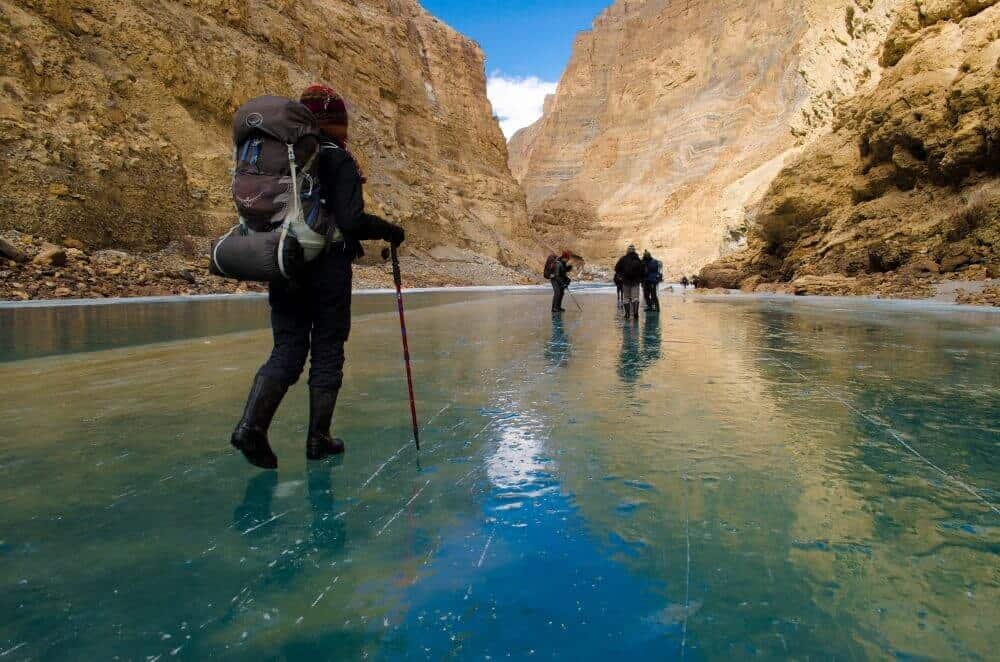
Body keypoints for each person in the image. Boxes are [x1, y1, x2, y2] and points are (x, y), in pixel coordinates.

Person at [230, 84, 406, 470]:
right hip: (327, 267)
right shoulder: (337, 159)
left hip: (286, 260)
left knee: (288, 348)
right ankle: (318, 438)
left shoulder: (287, 159)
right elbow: (350, 220)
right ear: (337, 123)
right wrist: (390, 230)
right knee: (327, 350)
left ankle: (251, 426)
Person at [614, 245, 645, 320]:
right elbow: (642, 271)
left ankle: (627, 314)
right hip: (635, 282)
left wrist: (621, 276)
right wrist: (641, 279)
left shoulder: (623, 259)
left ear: (627, 251)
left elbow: (616, 268)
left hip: (626, 282)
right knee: (635, 298)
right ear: (634, 251)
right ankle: (635, 314)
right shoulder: (638, 260)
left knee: (626, 298)